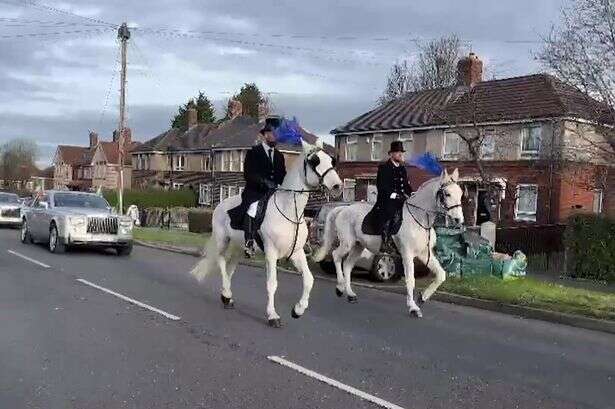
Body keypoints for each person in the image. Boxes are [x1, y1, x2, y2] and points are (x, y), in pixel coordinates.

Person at [241, 116, 286, 257]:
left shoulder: (279, 156)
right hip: (255, 191)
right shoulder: (254, 152)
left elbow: (282, 175)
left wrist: (282, 184)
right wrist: (263, 182)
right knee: (252, 208)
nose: (274, 136)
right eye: (272, 133)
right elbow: (248, 173)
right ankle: (249, 242)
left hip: (274, 191)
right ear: (265, 135)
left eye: (277, 134)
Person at [374, 140, 413, 253]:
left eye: (402, 152)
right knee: (391, 212)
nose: (401, 154)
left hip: (400, 199)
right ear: (391, 154)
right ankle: (386, 241)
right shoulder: (384, 168)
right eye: (397, 152)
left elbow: (406, 185)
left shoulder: (402, 169)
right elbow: (382, 187)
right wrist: (395, 196)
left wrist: (412, 194)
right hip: (386, 200)